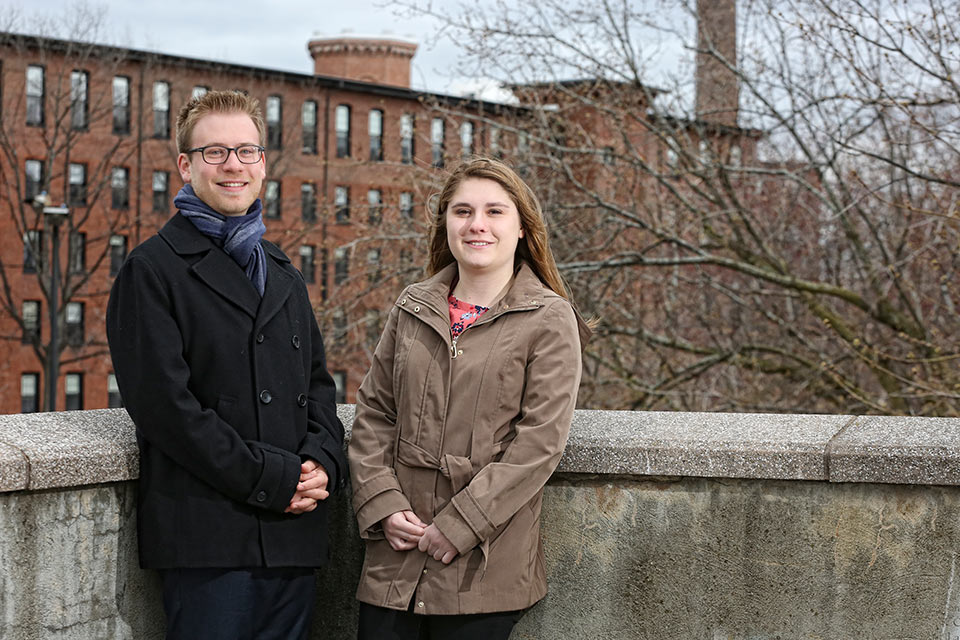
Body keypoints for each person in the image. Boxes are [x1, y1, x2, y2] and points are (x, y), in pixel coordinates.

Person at [106, 90, 346, 640]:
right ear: (186, 166)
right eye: (215, 152)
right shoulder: (151, 271)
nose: (233, 165)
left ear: (263, 164)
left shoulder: (282, 270)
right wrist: (275, 478)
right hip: (208, 540)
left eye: (246, 151)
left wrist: (321, 463)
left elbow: (319, 388)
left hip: (292, 537)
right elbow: (167, 411)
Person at [348, 157, 591, 639]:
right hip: (395, 559)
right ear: (446, 225)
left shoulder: (549, 319)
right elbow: (375, 414)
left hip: (484, 564)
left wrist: (460, 525)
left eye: (495, 212)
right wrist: (381, 505)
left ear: (522, 227)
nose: (477, 224)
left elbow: (538, 444)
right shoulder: (413, 305)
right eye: (462, 211)